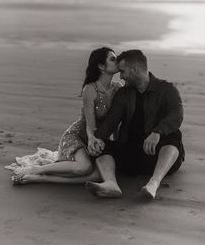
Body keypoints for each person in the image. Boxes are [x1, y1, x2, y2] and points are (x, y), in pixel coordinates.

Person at [10, 47, 121, 185]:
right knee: (84, 168)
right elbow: (90, 125)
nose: (118, 61)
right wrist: (92, 138)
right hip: (78, 136)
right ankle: (36, 170)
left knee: (98, 176)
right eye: (113, 58)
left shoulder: (118, 88)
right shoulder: (90, 89)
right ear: (101, 66)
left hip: (98, 140)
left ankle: (42, 178)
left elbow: (116, 121)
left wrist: (116, 145)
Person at [86, 49, 185, 199]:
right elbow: (111, 121)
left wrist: (157, 132)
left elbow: (176, 116)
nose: (121, 76)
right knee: (102, 146)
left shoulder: (166, 89)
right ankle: (111, 184)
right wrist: (98, 138)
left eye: (123, 72)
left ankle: (153, 183)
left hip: (159, 156)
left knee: (173, 136)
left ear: (134, 70)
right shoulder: (124, 94)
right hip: (132, 154)